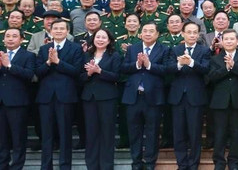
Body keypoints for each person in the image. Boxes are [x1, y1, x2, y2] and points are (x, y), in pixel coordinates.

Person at [35, 18, 83, 170]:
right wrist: (49, 62)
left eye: (62, 28)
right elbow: (38, 72)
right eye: (55, 28)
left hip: (66, 96)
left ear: (68, 31)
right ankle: (46, 166)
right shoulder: (44, 49)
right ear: (50, 31)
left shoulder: (75, 48)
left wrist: (58, 62)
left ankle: (64, 166)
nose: (58, 31)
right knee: (47, 134)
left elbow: (76, 71)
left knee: (65, 133)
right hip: (46, 97)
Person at [122, 22, 172, 170]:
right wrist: (137, 64)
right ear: (140, 33)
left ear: (157, 34)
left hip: (153, 97)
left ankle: (150, 163)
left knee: (152, 131)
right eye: (145, 31)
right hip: (133, 97)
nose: (148, 33)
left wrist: (149, 64)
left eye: (151, 31)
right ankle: (136, 163)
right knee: (134, 132)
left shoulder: (164, 49)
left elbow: (167, 69)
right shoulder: (133, 49)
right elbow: (123, 68)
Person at [167, 22, 211, 170]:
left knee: (195, 133)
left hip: (195, 98)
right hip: (177, 97)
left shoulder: (204, 50)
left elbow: (206, 69)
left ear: (198, 35)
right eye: (189, 32)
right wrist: (180, 64)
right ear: (183, 33)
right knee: (178, 133)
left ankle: (193, 164)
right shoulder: (175, 49)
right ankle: (182, 164)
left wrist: (191, 62)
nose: (192, 35)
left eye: (194, 33)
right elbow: (168, 68)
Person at [207, 29, 238, 170]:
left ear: (237, 41)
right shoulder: (214, 59)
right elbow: (211, 78)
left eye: (232, 39)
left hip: (237, 101)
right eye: (226, 39)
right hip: (220, 101)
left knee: (236, 133)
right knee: (219, 133)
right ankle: (219, 162)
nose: (229, 41)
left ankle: (234, 162)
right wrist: (225, 69)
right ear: (221, 42)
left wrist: (234, 66)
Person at [80, 28, 121, 170]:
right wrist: (89, 74)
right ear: (94, 39)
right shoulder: (86, 55)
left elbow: (116, 76)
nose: (100, 39)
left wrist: (100, 71)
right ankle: (91, 165)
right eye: (98, 37)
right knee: (91, 133)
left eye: (104, 37)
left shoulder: (114, 55)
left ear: (109, 40)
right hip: (89, 98)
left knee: (107, 133)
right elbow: (80, 77)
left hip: (107, 98)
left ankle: (106, 165)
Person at [0, 28, 36, 170]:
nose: (10, 39)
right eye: (7, 36)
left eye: (14, 36)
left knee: (18, 138)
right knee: (1, 138)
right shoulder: (0, 54)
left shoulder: (28, 55)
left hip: (18, 102)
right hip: (1, 102)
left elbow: (29, 75)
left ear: (21, 39)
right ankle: (2, 165)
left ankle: (17, 166)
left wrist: (9, 66)